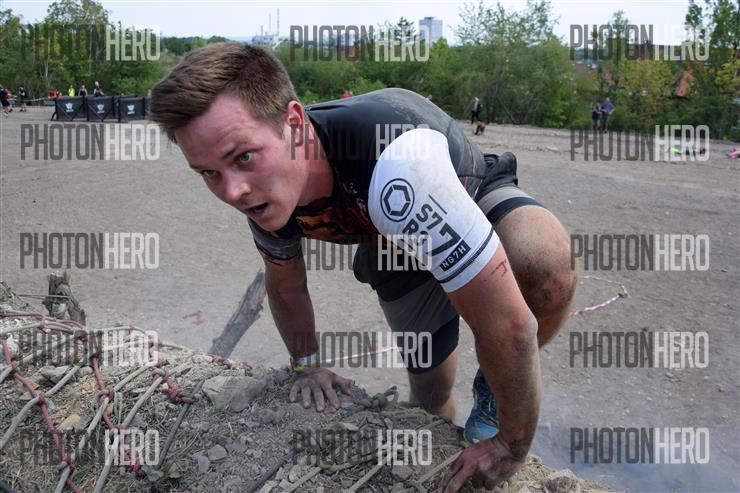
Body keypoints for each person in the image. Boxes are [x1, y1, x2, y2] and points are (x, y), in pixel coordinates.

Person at [149, 43, 576, 492]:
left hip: (465, 192)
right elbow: (286, 284)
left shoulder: (396, 165)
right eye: (209, 173)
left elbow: (509, 325)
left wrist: (511, 444)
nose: (233, 191)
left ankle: (489, 392)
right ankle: (437, 435)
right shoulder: (264, 187)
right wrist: (306, 365)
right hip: (386, 241)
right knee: (429, 392)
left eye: (243, 157)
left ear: (294, 124)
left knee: (546, 269)